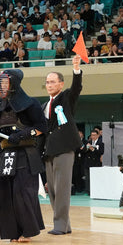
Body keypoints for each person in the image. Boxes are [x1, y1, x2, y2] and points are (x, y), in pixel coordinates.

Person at [0, 69, 46, 242]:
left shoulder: (31, 104)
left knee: (23, 192)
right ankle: (13, 232)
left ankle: (27, 231)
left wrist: (23, 134)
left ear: (14, 84)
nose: (2, 86)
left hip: (26, 154)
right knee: (7, 193)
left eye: (5, 83)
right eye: (0, 83)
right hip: (7, 155)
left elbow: (42, 127)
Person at [42, 55, 82, 235]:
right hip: (49, 151)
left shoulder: (66, 98)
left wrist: (76, 69)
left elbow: (76, 88)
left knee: (62, 189)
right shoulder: (44, 105)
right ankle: (65, 225)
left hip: (65, 148)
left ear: (60, 84)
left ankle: (59, 224)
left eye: (52, 82)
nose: (49, 85)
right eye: (47, 82)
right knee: (52, 190)